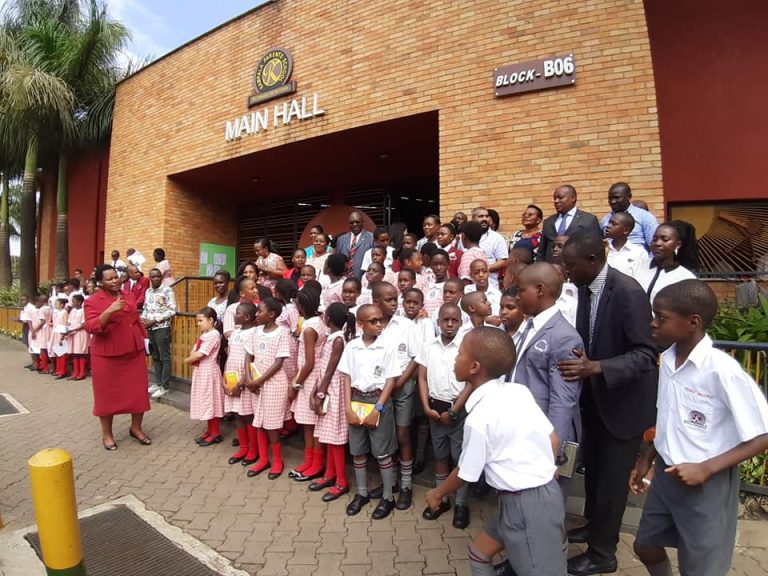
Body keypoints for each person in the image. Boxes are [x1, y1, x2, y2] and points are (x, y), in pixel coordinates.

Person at [630, 280, 768, 576]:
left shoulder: (721, 370)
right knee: (645, 545)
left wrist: (705, 468)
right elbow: (669, 417)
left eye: (661, 318)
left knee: (700, 567)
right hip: (667, 476)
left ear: (692, 322)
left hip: (707, 484)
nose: (652, 324)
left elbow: (763, 435)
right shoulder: (667, 359)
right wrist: (646, 459)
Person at [424, 327, 567, 576]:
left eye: (459, 354)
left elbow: (466, 473)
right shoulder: (518, 391)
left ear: (474, 367)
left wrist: (438, 493)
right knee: (479, 554)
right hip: (523, 501)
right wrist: (548, 468)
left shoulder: (478, 420)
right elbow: (552, 438)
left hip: (527, 506)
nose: (455, 359)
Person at [558, 233, 658, 576]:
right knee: (596, 474)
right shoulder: (586, 288)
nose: (565, 270)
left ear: (591, 261)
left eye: (569, 265)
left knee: (612, 484)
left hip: (623, 405)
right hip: (597, 400)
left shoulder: (628, 292)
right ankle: (594, 527)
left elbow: (646, 354)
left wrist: (596, 367)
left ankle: (603, 555)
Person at [509, 263, 584, 497]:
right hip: (523, 432)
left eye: (521, 290)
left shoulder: (564, 337)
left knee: (545, 510)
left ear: (539, 290)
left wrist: (553, 452)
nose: (517, 295)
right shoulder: (530, 325)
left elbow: (563, 400)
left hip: (544, 440)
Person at [340, 304, 401, 519]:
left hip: (377, 401)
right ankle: (362, 493)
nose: (379, 325)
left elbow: (390, 380)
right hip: (357, 400)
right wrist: (347, 407)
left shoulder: (387, 346)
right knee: (358, 450)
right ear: (360, 324)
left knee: (382, 452)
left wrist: (378, 409)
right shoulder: (353, 347)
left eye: (380, 320)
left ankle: (387, 497)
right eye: (373, 321)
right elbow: (347, 377)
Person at [84, 264, 151, 451]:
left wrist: (144, 340)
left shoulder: (128, 295)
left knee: (138, 392)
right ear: (100, 282)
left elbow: (135, 320)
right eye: (109, 279)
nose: (115, 281)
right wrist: (109, 310)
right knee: (106, 396)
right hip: (106, 356)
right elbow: (91, 327)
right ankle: (107, 434)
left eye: (116, 277)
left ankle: (136, 428)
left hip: (133, 352)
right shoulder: (92, 301)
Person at [417, 303, 471, 528]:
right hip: (434, 410)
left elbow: (470, 382)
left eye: (454, 321)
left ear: (460, 322)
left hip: (457, 408)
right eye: (445, 321)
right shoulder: (429, 347)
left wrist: (455, 410)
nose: (449, 325)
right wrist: (426, 407)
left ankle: (461, 503)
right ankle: (442, 499)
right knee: (440, 455)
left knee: (461, 458)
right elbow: (421, 378)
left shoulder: (466, 348)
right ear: (438, 322)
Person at [310, 302, 356, 501]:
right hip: (326, 388)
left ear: (328, 319)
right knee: (327, 436)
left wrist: (320, 394)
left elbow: (330, 370)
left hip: (333, 393)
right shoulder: (332, 338)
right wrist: (316, 388)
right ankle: (329, 474)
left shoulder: (338, 340)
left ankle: (341, 481)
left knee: (335, 439)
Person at [244, 298, 292, 479]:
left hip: (273, 384)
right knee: (259, 422)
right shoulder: (256, 332)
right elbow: (248, 356)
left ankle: (277, 460)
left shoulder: (282, 333)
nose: (256, 314)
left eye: (259, 311)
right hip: (256, 383)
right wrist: (249, 379)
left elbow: (278, 363)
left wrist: (259, 381)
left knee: (271, 425)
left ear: (271, 314)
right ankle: (263, 459)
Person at [289, 287, 328, 481]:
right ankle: (309, 460)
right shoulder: (317, 321)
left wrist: (296, 382)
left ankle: (317, 463)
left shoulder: (310, 329)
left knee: (313, 425)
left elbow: (310, 361)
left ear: (301, 306)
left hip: (310, 377)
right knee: (307, 424)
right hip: (310, 375)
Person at [223, 302, 258, 466]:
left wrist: (242, 383)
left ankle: (253, 449)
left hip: (244, 382)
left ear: (247, 317)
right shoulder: (235, 332)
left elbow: (252, 361)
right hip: (232, 380)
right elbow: (229, 357)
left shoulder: (254, 334)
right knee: (238, 414)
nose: (234, 315)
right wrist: (225, 379)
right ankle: (243, 447)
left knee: (248, 415)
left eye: (238, 313)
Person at [184, 306, 224, 447]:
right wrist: (192, 356)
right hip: (201, 371)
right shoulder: (205, 334)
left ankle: (215, 432)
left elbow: (200, 354)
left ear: (211, 320)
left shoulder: (213, 335)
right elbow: (194, 351)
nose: (198, 323)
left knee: (210, 400)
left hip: (209, 372)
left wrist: (187, 360)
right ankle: (209, 429)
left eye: (201, 320)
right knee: (206, 400)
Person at [538, 184, 601, 263]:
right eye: (555, 199)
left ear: (573, 198)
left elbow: (596, 248)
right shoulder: (548, 222)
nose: (556, 201)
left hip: (577, 269)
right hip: (551, 270)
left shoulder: (588, 220)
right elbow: (541, 251)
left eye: (560, 198)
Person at [637, 223, 696, 305]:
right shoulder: (638, 265)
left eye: (665, 240)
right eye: (654, 239)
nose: (658, 243)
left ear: (678, 245)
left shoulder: (686, 278)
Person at [142, 268, 177, 399]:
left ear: (161, 277)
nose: (156, 279)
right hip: (150, 328)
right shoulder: (148, 291)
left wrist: (155, 320)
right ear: (150, 278)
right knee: (155, 356)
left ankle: (165, 386)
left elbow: (172, 310)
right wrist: (144, 319)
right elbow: (146, 307)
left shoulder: (167, 290)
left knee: (164, 357)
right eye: (153, 277)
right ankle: (158, 383)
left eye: (158, 276)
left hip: (162, 327)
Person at [599, 182, 659, 249]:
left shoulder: (645, 217)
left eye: (617, 197)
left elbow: (654, 245)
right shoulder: (605, 220)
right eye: (610, 198)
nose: (613, 201)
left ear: (629, 196)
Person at [471, 207, 508, 290]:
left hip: (490, 286)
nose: (485, 219)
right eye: (481, 216)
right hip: (468, 286)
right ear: (473, 219)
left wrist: (483, 270)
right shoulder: (466, 237)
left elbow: (504, 261)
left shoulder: (497, 238)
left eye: (487, 216)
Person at [605, 212, 650, 277]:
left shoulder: (639, 253)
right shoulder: (602, 249)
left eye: (614, 224)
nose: (608, 226)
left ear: (626, 230)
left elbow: (643, 277)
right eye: (609, 222)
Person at [335, 211, 374, 279]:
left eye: (357, 222)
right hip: (343, 280)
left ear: (363, 222)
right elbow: (337, 260)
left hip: (363, 279)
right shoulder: (341, 239)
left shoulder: (371, 238)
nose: (354, 224)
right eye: (351, 223)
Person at [64, 294, 88, 380]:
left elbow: (83, 324)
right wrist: (66, 330)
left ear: (80, 302)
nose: (72, 303)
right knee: (74, 353)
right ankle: (75, 372)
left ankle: (82, 373)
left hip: (80, 333)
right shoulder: (72, 311)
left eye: (74, 301)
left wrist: (73, 330)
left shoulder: (83, 311)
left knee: (80, 353)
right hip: (72, 334)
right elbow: (69, 322)